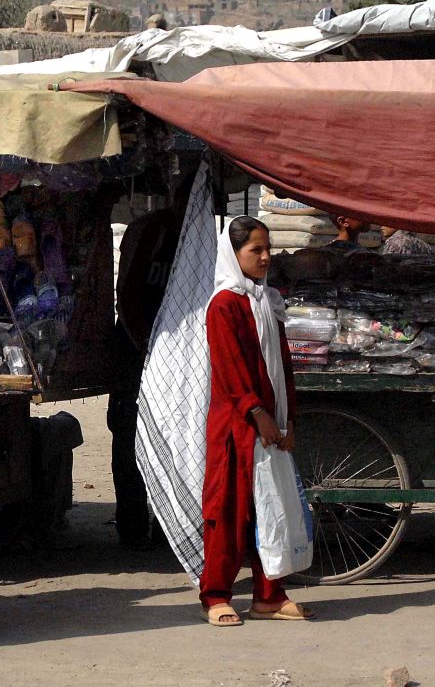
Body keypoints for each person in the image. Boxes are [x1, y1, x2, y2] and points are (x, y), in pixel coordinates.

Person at [200, 215, 314, 626]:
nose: (266, 257)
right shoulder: (224, 305)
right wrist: (258, 413)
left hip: (269, 423)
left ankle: (268, 595)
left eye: (267, 249)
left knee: (273, 508)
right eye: (256, 250)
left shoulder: (266, 300)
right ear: (234, 255)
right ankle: (215, 595)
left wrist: (288, 420)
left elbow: (282, 366)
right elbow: (230, 369)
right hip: (237, 427)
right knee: (229, 512)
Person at [107, 203, 183, 548]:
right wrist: (144, 346)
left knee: (173, 437)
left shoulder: (198, 235)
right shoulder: (151, 231)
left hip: (173, 349)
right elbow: (127, 293)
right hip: (135, 347)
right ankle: (133, 523)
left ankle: (167, 525)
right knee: (129, 435)